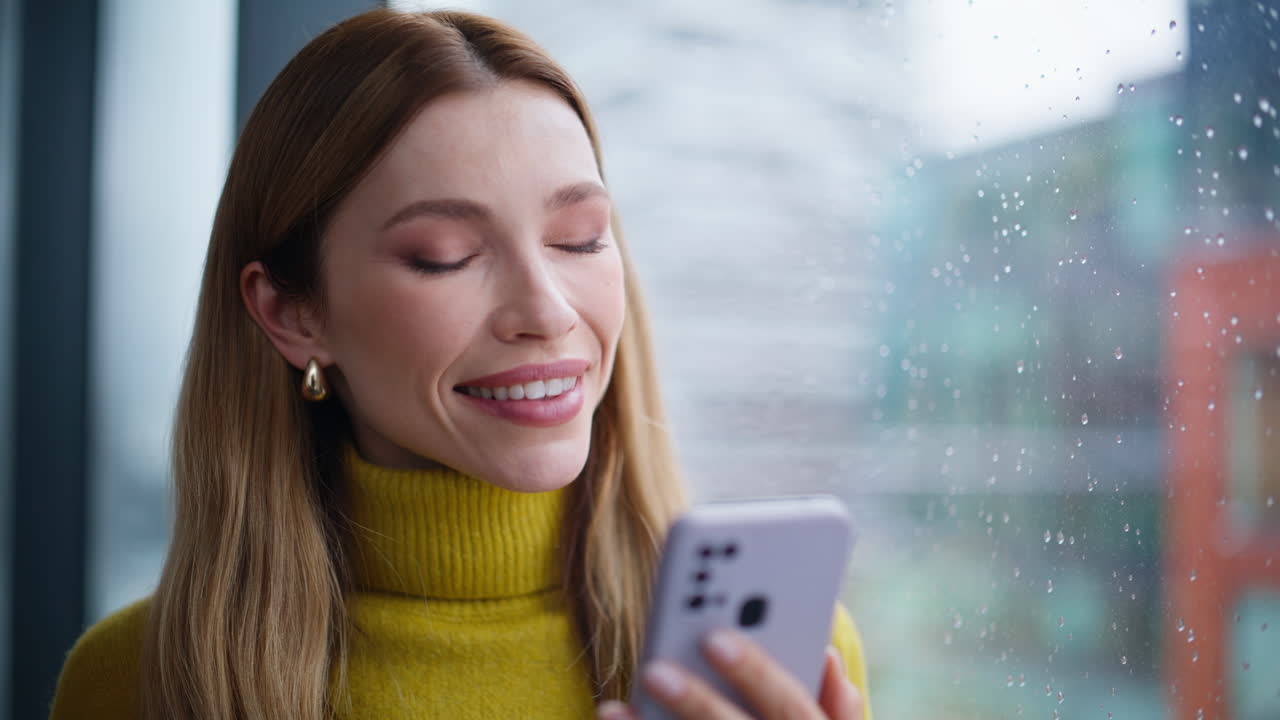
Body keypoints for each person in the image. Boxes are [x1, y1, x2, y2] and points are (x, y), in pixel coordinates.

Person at [48, 8, 871, 719]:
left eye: (581, 238)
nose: (547, 311)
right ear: (290, 314)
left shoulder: (772, 660)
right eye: (444, 256)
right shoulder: (133, 684)